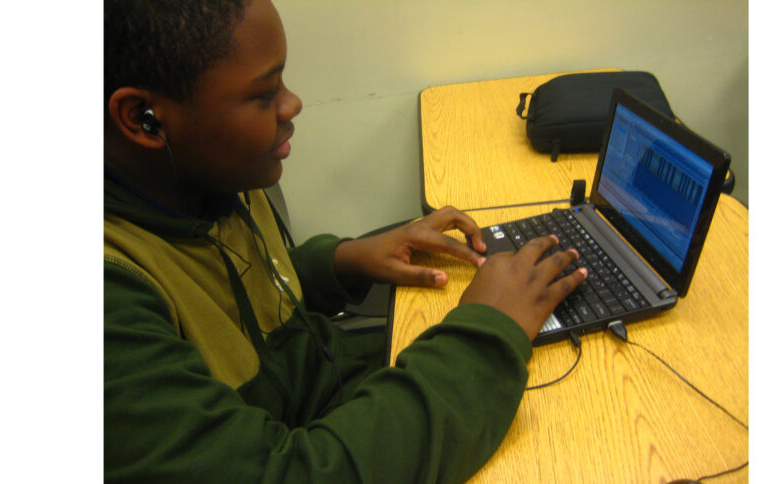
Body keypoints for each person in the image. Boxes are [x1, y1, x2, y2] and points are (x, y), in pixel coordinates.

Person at [103, 0, 588, 482]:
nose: (292, 104)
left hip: (331, 389)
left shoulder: (195, 177)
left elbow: (232, 300)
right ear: (142, 117)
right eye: (262, 94)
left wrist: (342, 261)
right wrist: (488, 331)